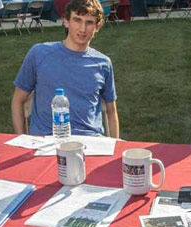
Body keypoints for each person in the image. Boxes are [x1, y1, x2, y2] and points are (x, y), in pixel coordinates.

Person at [11, 0, 119, 138]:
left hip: (91, 142)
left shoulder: (103, 63)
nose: (82, 29)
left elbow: (111, 110)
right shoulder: (39, 54)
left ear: (98, 26)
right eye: (77, 20)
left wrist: (115, 146)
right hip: (47, 141)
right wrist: (22, 141)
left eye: (89, 22)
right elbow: (18, 100)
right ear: (66, 21)